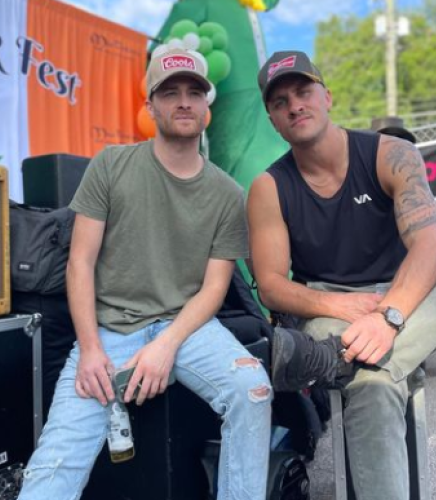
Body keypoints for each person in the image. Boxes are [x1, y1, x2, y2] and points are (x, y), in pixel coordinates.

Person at [18, 46, 272, 500]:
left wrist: (166, 345)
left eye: (194, 92)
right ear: (150, 105)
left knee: (252, 390)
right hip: (109, 330)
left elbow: (215, 287)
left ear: (206, 107)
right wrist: (91, 348)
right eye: (170, 92)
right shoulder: (111, 166)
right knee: (52, 467)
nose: (183, 101)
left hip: (188, 328)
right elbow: (81, 262)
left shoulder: (228, 193)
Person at [247, 50, 436, 500]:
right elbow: (270, 284)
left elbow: (430, 248)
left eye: (303, 91)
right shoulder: (268, 187)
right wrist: (337, 305)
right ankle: (357, 357)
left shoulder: (391, 154)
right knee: (375, 385)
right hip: (328, 305)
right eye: (280, 101)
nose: (295, 105)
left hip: (405, 294)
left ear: (327, 96)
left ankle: (341, 359)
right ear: (272, 117)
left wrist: (388, 318)